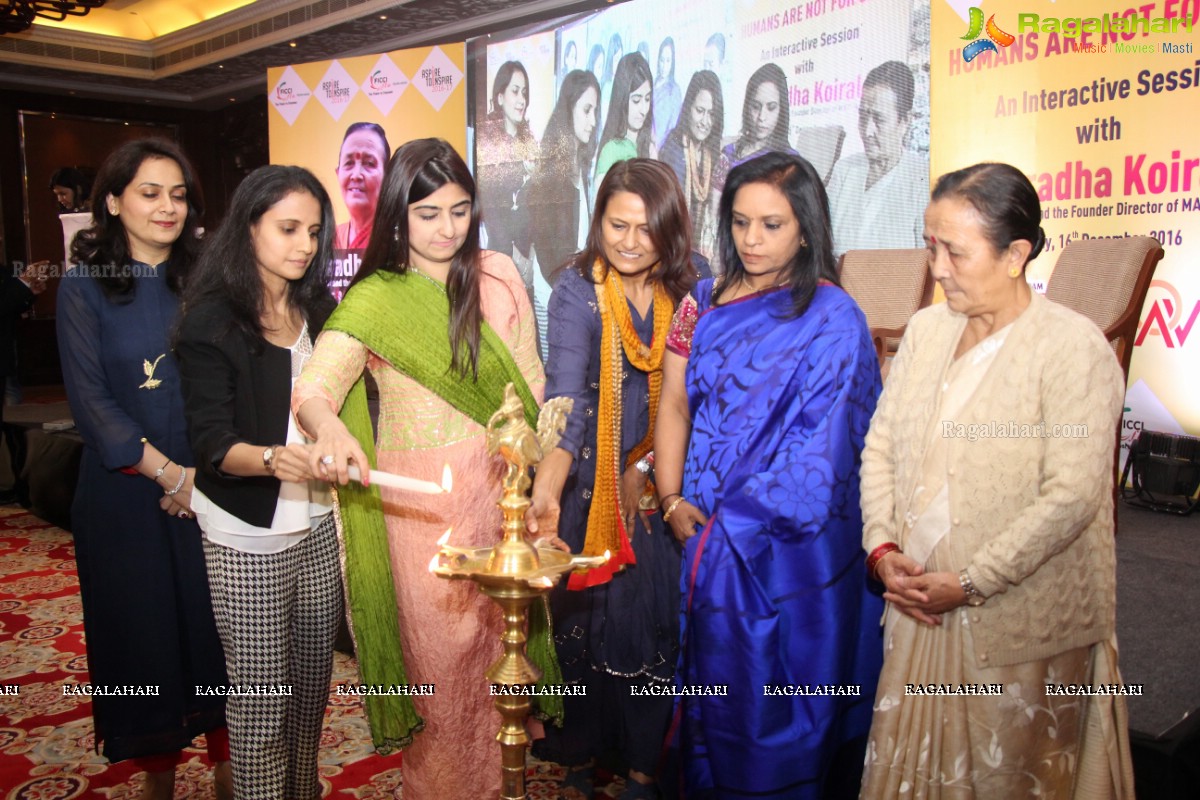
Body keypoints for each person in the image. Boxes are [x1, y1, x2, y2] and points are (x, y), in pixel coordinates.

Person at [858, 163, 1135, 798]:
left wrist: (973, 582)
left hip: (1018, 620)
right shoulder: (927, 331)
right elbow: (880, 446)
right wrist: (882, 549)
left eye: (955, 251)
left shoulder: (1071, 347)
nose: (939, 268)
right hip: (917, 603)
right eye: (932, 247)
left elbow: (1072, 495)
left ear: (1015, 254)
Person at [292, 138, 549, 800]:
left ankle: (502, 787)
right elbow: (313, 391)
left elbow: (532, 386)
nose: (447, 228)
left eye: (460, 210)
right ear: (399, 217)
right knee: (439, 677)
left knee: (501, 662)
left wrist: (538, 481)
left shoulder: (497, 276)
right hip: (420, 519)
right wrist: (329, 434)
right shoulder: (377, 298)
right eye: (429, 213)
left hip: (500, 502)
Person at [655, 152, 883, 799]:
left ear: (806, 229)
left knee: (780, 704)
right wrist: (671, 498)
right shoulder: (702, 304)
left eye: (772, 225)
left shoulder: (834, 318)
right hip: (704, 533)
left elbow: (829, 448)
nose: (751, 240)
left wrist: (740, 526)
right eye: (740, 222)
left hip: (792, 551)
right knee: (717, 697)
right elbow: (673, 403)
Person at [55, 138, 230, 800]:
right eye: (150, 192)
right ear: (113, 200)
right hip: (125, 501)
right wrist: (171, 477)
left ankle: (229, 777)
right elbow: (93, 404)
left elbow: (230, 387)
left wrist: (202, 480)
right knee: (143, 643)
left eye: (178, 194)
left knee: (218, 642)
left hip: (214, 492)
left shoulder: (210, 281)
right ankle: (157, 782)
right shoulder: (84, 285)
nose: (167, 207)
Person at [528, 159, 694, 800]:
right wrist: (547, 487)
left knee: (647, 625)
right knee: (581, 622)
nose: (627, 240)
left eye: (644, 228)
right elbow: (565, 400)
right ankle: (577, 757)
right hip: (586, 484)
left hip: (661, 479)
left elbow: (691, 399)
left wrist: (647, 468)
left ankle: (642, 770)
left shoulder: (691, 288)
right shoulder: (576, 288)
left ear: (670, 229)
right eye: (615, 224)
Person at [176, 165, 340, 800]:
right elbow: (213, 445)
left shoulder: (320, 310)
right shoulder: (211, 321)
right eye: (288, 228)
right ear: (248, 228)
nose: (304, 244)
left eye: (314, 231)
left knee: (309, 693)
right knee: (259, 701)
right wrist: (274, 458)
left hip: (320, 526)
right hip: (247, 533)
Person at [524, 69, 602, 354]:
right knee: (555, 390)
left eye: (596, 111)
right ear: (568, 109)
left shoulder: (578, 165)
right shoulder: (551, 174)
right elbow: (549, 260)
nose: (593, 121)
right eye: (586, 110)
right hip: (555, 301)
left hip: (575, 297)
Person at [826, 60, 927, 255]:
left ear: (904, 121)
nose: (867, 130)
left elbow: (926, 268)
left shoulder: (921, 179)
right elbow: (821, 245)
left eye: (879, 119)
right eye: (863, 116)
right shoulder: (845, 170)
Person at [477, 61, 537, 263]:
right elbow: (490, 211)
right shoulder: (487, 145)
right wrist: (514, 257)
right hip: (500, 257)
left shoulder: (530, 142)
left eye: (524, 93)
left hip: (529, 256)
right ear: (500, 97)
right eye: (515, 91)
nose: (522, 100)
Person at [660, 70, 724, 259]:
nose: (705, 121)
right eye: (700, 111)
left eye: (711, 114)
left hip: (699, 258)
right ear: (688, 108)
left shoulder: (710, 155)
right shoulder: (673, 149)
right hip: (670, 255)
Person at [713, 63, 796, 194]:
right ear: (747, 108)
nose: (762, 117)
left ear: (782, 110)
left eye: (771, 107)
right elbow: (714, 210)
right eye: (756, 107)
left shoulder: (790, 161)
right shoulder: (729, 153)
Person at [594, 53, 655, 189]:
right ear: (621, 99)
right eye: (636, 100)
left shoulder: (650, 148)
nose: (644, 110)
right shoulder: (611, 150)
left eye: (647, 99)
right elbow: (601, 206)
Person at [333, 121, 390, 250]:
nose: (356, 175)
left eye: (369, 163)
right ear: (338, 173)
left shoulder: (397, 240)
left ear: (388, 177)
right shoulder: (329, 241)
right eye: (349, 163)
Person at [652, 37, 682, 150]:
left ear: (672, 62)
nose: (664, 65)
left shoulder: (674, 90)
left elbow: (672, 128)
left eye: (668, 60)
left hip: (661, 152)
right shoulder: (651, 84)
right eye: (662, 60)